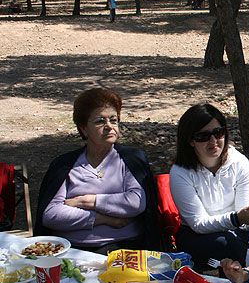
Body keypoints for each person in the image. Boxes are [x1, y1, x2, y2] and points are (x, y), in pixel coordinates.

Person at [35, 88, 162, 254]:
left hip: (124, 247)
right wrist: (102, 219)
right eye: (100, 121)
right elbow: (51, 214)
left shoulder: (131, 159)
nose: (109, 126)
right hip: (73, 250)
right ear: (84, 128)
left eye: (113, 120)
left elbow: (135, 202)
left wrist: (86, 201)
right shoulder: (65, 165)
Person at [169, 103, 249, 282]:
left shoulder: (238, 163)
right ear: (190, 140)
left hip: (237, 232)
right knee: (225, 244)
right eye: (203, 136)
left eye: (218, 133)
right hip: (197, 236)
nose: (213, 142)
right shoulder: (180, 172)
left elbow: (246, 215)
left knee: (233, 243)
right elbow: (198, 223)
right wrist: (237, 218)